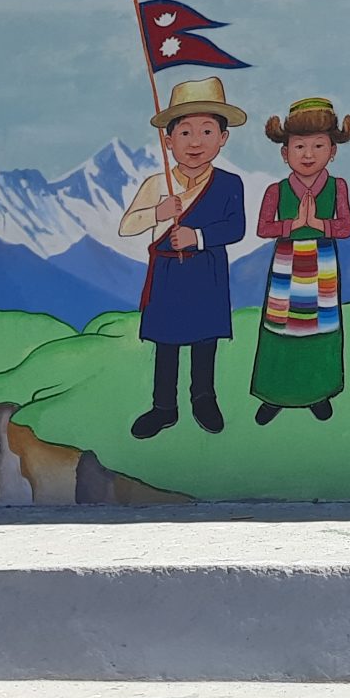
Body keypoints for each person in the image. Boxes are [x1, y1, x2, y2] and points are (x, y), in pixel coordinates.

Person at [120, 77, 250, 439]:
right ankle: (164, 407)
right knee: (167, 341)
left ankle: (203, 399)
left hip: (206, 270)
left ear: (223, 138)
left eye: (207, 131)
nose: (196, 142)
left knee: (204, 339)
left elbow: (235, 227)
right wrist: (159, 212)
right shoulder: (156, 184)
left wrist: (198, 237)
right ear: (168, 140)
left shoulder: (229, 184)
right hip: (168, 272)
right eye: (186, 132)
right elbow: (127, 226)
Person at [250, 97, 350, 425]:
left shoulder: (338, 187)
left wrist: (321, 225)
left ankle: (318, 391)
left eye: (317, 145)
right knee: (279, 327)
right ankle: (275, 394)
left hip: (323, 264)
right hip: (287, 265)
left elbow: (346, 226)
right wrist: (293, 225)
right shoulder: (276, 190)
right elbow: (262, 228)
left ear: (332, 150)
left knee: (321, 327)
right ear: (285, 152)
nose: (308, 154)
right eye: (299, 146)